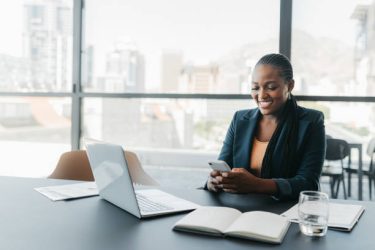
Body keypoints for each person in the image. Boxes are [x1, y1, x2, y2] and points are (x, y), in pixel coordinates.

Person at [206, 53, 326, 200]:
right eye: (255, 88)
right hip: (239, 210)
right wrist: (214, 182)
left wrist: (256, 185)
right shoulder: (240, 119)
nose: (261, 95)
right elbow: (224, 165)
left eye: (271, 87)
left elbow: (309, 184)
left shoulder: (311, 122)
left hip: (284, 212)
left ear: (290, 85)